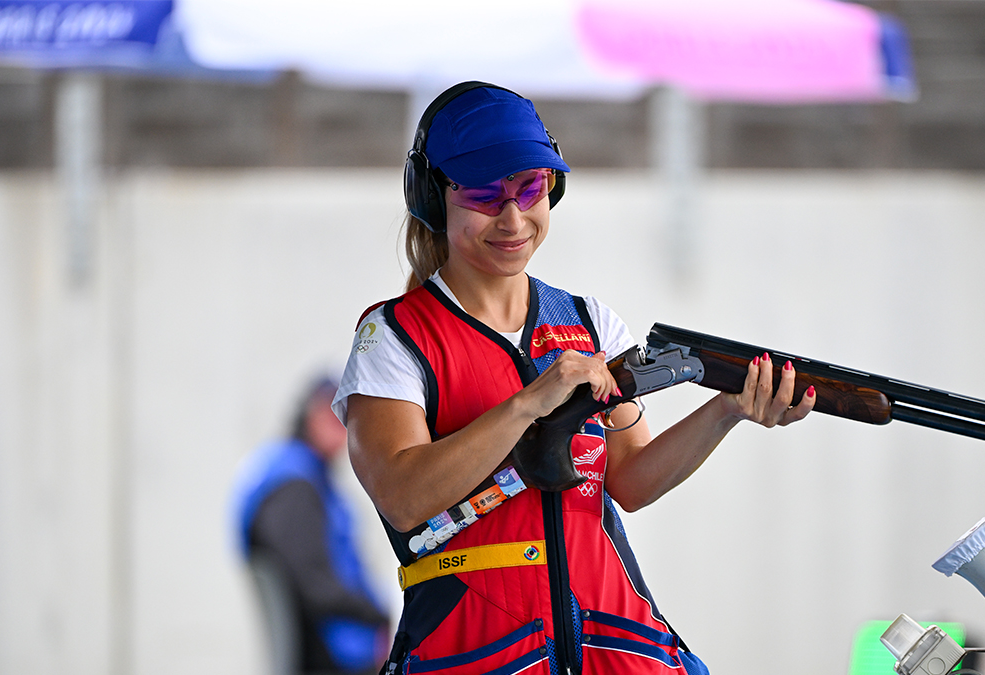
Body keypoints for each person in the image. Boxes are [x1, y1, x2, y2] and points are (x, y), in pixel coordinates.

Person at [332, 82, 816, 675]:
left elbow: (631, 481)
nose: (512, 218)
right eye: (484, 193)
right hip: (480, 652)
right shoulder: (395, 335)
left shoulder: (590, 324)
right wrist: (527, 404)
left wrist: (727, 410)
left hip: (617, 646)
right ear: (434, 197)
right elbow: (403, 497)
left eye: (530, 188)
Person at [234, 378, 390, 675]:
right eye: (331, 410)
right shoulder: (294, 483)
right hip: (329, 654)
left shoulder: (298, 473)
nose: (341, 424)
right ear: (311, 412)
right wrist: (381, 615)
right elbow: (316, 585)